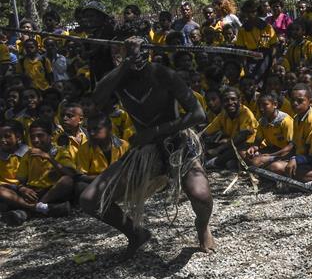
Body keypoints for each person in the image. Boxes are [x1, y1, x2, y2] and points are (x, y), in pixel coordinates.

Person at [80, 37, 214, 257]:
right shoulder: (118, 80)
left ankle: (202, 227)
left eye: (140, 52)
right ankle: (136, 234)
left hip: (177, 143)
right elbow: (97, 98)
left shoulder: (163, 74)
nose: (137, 58)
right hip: (145, 151)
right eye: (129, 54)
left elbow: (198, 114)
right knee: (89, 199)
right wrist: (125, 63)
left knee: (201, 196)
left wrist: (156, 132)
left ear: (148, 52)